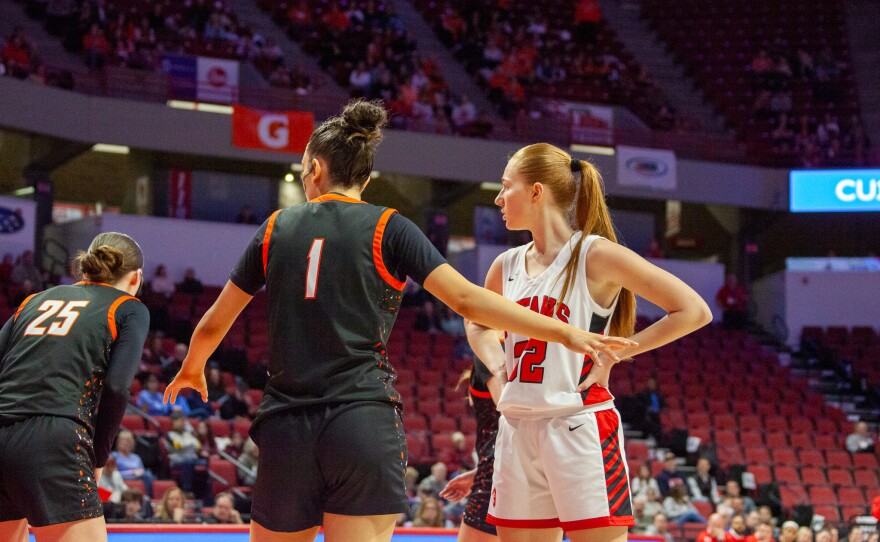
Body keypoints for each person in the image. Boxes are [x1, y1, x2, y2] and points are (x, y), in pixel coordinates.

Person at [163, 100, 632, 542]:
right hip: (361, 421)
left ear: (315, 169)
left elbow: (209, 326)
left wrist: (193, 366)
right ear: (364, 179)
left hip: (287, 426)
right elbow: (468, 301)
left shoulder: (275, 228)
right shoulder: (391, 226)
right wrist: (562, 330)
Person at [466, 142, 711, 542]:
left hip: (576, 424)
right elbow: (477, 323)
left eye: (505, 186)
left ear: (536, 192)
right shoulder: (505, 265)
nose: (497, 197)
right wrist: (497, 367)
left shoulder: (594, 255)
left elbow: (693, 310)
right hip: (516, 426)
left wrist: (613, 354)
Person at [0, 232, 149, 542]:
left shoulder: (34, 300)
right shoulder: (129, 307)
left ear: (85, 269)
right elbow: (119, 387)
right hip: (53, 438)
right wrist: (97, 458)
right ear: (136, 278)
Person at [440, 357, 506, 542]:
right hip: (540, 471)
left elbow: (514, 417)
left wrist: (486, 470)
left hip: (497, 482)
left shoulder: (491, 353)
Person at [112, 429, 155, 499]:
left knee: (148, 474)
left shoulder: (136, 457)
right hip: (122, 478)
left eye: (127, 441)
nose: (125, 443)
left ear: (132, 443)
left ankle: (149, 497)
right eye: (122, 440)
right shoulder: (114, 456)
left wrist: (139, 473)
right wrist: (133, 473)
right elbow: (114, 474)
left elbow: (142, 471)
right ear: (118, 442)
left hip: (139, 477)